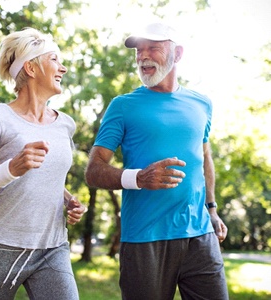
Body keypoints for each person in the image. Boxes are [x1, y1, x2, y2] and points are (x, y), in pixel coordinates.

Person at [85, 22, 229, 300]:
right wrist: (137, 178)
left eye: (153, 47)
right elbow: (93, 171)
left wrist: (211, 208)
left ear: (178, 54)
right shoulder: (123, 106)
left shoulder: (202, 104)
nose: (142, 56)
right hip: (144, 238)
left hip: (200, 235)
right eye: (139, 50)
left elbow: (204, 156)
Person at [0, 27, 86, 300]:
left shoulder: (65, 123)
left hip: (53, 246)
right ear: (31, 68)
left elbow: (45, 178)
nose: (64, 68)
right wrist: (11, 169)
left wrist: (69, 200)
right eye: (55, 60)